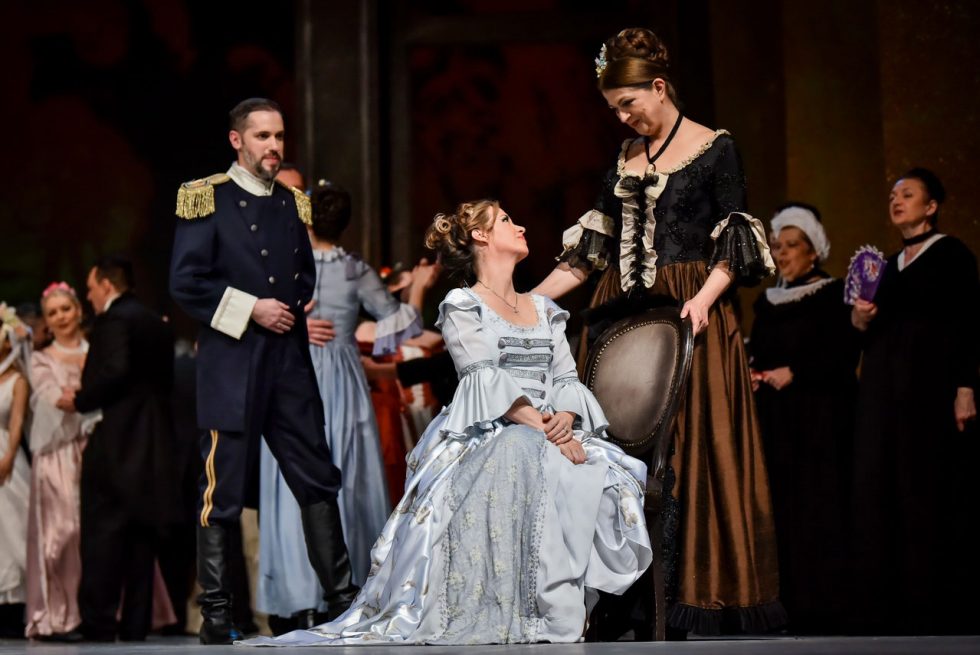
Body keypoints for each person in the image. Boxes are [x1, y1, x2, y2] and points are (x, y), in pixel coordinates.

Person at [242, 200, 651, 646]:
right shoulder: (463, 304)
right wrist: (547, 431)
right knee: (526, 454)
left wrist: (566, 421)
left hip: (552, 428)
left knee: (609, 473)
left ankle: (588, 607)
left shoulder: (544, 308)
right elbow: (485, 380)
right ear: (480, 236)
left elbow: (566, 378)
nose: (521, 226)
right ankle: (532, 609)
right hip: (490, 430)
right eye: (507, 221)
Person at [533, 28, 783, 636]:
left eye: (629, 103)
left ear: (660, 87)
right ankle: (622, 599)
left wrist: (703, 299)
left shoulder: (715, 148)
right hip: (621, 316)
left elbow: (734, 241)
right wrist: (521, 300)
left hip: (691, 309)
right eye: (614, 108)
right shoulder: (624, 159)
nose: (623, 117)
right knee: (614, 451)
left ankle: (696, 593)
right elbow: (586, 256)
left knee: (694, 449)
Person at [168, 97, 358, 644]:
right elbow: (186, 282)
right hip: (232, 362)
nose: (274, 146)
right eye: (262, 137)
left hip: (287, 363)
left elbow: (303, 278)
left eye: (278, 136)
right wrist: (252, 307)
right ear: (237, 140)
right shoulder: (206, 196)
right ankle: (217, 615)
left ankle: (343, 603)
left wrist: (290, 308)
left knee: (317, 477)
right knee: (222, 490)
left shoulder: (292, 203)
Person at [257, 181, 433, 632]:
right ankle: (345, 591)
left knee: (293, 481)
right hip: (341, 378)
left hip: (292, 372)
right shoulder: (354, 269)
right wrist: (416, 291)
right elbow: (400, 326)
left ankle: (300, 597)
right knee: (347, 477)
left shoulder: (280, 263)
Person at [849, 168, 979, 634]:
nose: (896, 200)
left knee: (930, 490)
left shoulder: (952, 254)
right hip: (884, 395)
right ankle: (894, 607)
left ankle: (940, 605)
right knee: (886, 491)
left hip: (931, 392)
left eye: (907, 194)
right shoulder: (883, 266)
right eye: (892, 195)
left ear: (931, 206)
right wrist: (861, 319)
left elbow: (968, 323)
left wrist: (966, 387)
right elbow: (866, 337)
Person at [52, 256, 178, 641]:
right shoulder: (156, 323)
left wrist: (81, 399)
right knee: (141, 535)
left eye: (91, 288)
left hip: (117, 440)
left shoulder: (114, 320)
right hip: (153, 440)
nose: (89, 296)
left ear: (106, 285)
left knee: (102, 533)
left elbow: (116, 369)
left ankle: (99, 622)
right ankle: (136, 623)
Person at [749, 204, 860, 633]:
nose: (782, 253)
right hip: (777, 421)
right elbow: (761, 351)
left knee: (819, 508)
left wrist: (796, 372)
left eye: (792, 245)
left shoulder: (834, 294)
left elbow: (843, 354)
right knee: (781, 510)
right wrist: (754, 372)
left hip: (820, 421)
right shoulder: (767, 302)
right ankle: (784, 604)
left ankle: (826, 606)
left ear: (814, 251)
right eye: (777, 246)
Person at [26, 283, 88, 640]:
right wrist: (87, 395)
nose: (61, 317)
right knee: (62, 534)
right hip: (57, 455)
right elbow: (55, 398)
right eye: (53, 313)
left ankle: (95, 612)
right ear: (46, 323)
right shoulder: (41, 359)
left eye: (65, 308)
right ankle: (58, 615)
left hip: (93, 448)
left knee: (94, 534)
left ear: (78, 310)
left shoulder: (96, 351)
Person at [0, 304, 31, 638]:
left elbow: (17, 422)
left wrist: (9, 456)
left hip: (5, 452)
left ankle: (13, 610)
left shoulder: (17, 379)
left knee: (12, 529)